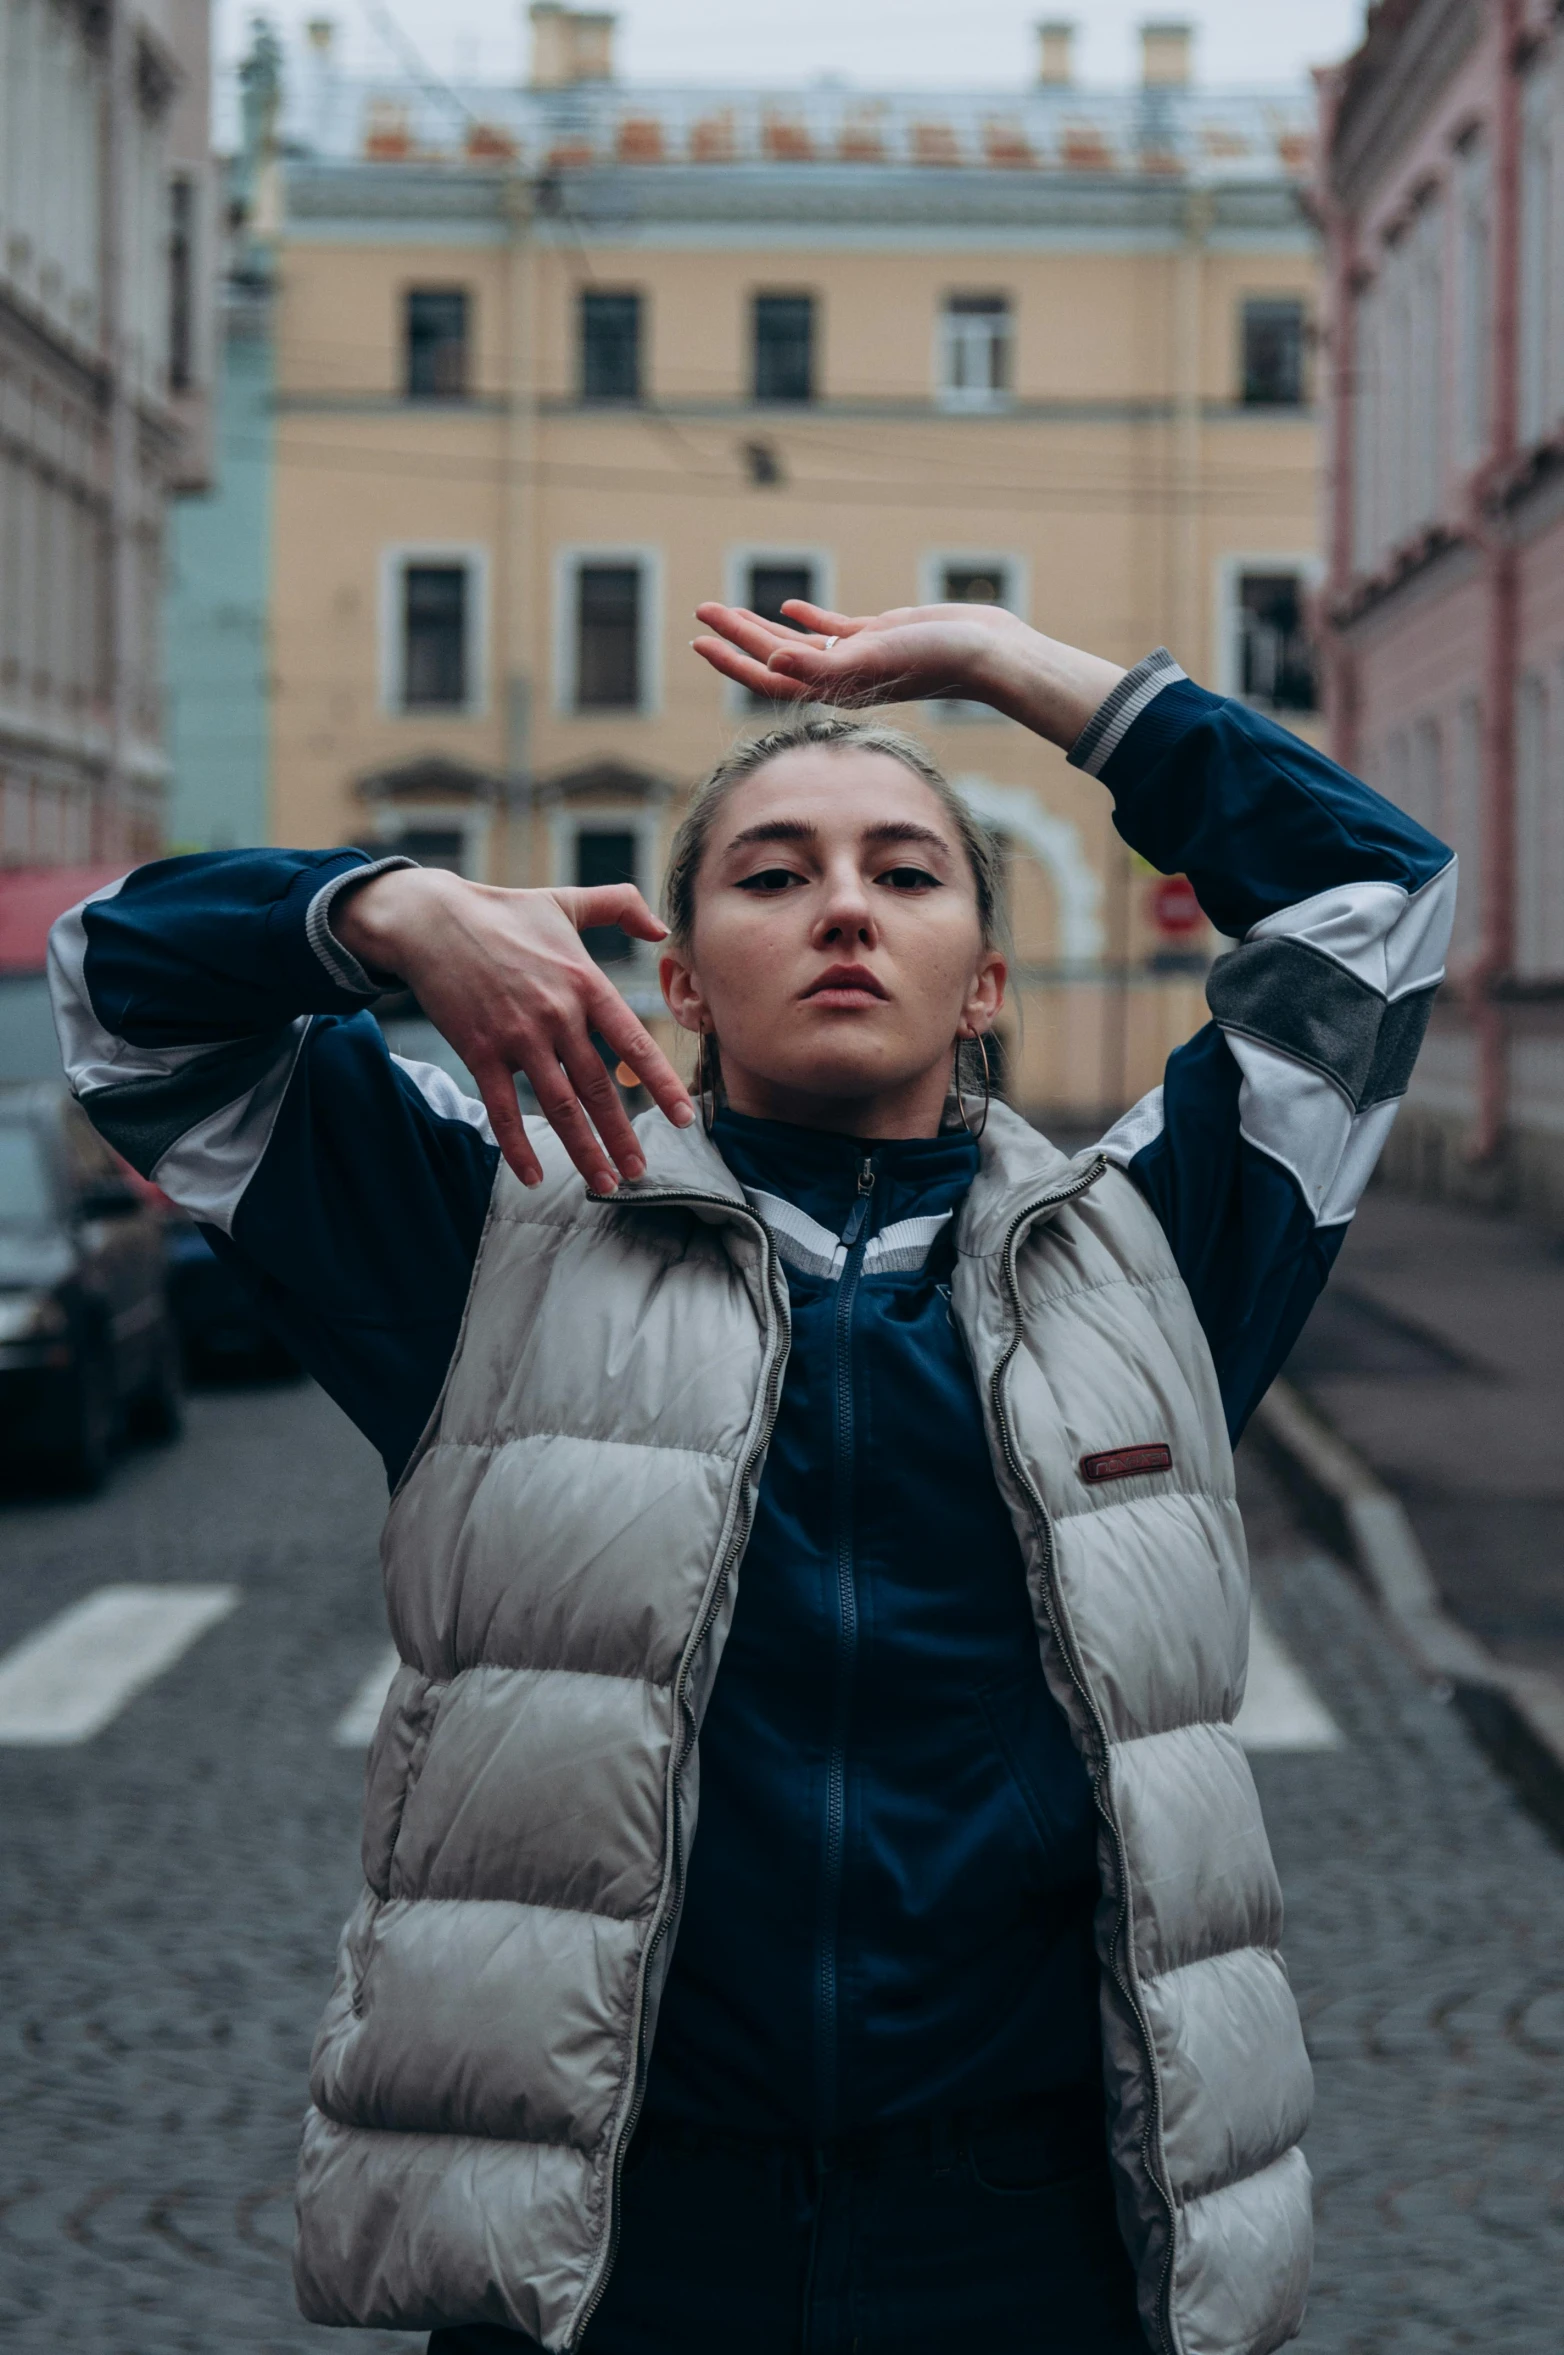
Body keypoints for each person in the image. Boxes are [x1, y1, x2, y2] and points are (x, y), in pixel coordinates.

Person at [49, 600, 1455, 2355]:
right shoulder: (493, 1234)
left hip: (1034, 2242)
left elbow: (1373, 905)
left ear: (989, 978)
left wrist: (1006, 666)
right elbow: (123, 1004)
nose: (847, 906)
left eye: (910, 873)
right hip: (617, 2243)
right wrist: (385, 911)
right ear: (686, 979)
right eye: (775, 875)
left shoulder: (1159, 1247)